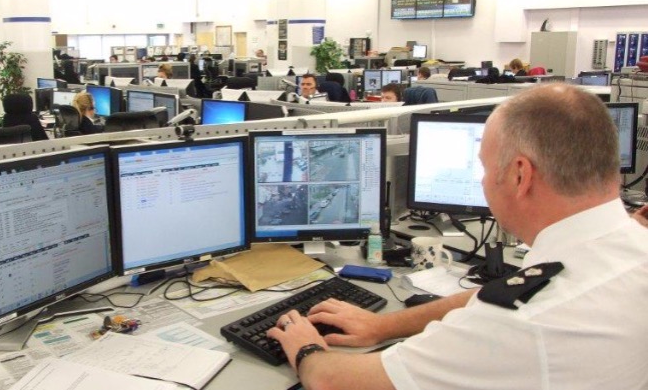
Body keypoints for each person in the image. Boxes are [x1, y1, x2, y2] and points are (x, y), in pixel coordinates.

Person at [266, 83, 648, 390]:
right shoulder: (627, 247)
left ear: (520, 175)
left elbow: (334, 381)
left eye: (485, 168)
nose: (483, 182)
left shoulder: (523, 323)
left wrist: (305, 346)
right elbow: (505, 291)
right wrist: (384, 326)